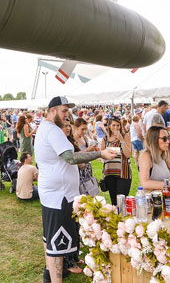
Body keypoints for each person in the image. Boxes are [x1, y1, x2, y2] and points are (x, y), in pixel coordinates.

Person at [35, 96, 117, 283]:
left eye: (68, 111)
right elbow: (70, 158)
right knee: (56, 244)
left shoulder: (45, 127)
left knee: (50, 240)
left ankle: (49, 275)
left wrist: (88, 153)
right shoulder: (53, 130)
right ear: (52, 110)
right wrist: (100, 154)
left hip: (54, 194)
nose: (67, 115)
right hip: (59, 196)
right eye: (64, 111)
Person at [139, 126, 170, 191]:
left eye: (168, 138)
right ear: (154, 140)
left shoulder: (164, 155)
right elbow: (145, 183)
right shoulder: (146, 155)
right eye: (164, 139)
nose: (168, 141)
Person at [99, 116, 133, 204]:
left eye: (118, 125)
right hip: (109, 172)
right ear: (109, 126)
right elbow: (101, 155)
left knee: (122, 202)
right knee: (114, 202)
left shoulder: (125, 136)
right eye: (113, 125)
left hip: (123, 173)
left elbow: (128, 154)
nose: (116, 128)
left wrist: (121, 140)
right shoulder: (105, 139)